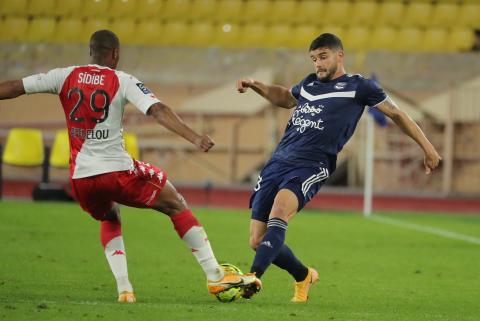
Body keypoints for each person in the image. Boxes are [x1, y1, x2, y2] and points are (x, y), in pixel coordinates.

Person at [0, 30, 259, 303]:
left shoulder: (64, 75)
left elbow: (16, 87)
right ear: (115, 54)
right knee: (175, 203)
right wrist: (194, 137)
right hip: (117, 171)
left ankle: (125, 290)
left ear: (90, 51)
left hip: (81, 178)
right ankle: (215, 275)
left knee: (109, 216)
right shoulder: (122, 80)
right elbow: (157, 110)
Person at [236, 33, 441, 302]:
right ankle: (303, 275)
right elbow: (285, 97)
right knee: (257, 241)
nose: (318, 64)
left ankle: (254, 276)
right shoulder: (309, 84)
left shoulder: (360, 87)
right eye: (313, 59)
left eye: (323, 57)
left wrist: (428, 148)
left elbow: (397, 114)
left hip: (312, 164)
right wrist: (256, 85)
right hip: (277, 162)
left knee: (280, 211)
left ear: (339, 55)